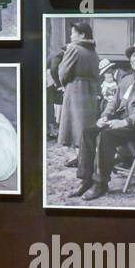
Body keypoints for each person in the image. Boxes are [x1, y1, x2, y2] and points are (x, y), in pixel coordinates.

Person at [74, 39, 135, 201]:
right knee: (88, 132)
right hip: (118, 121)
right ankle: (86, 180)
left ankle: (101, 183)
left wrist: (124, 122)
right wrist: (105, 116)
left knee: (106, 136)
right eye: (133, 56)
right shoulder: (126, 80)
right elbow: (113, 102)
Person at [56, 21, 100, 163]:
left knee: (74, 122)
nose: (71, 35)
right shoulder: (93, 52)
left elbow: (63, 72)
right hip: (90, 89)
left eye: (73, 32)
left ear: (82, 35)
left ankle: (79, 156)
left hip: (75, 88)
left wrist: (65, 84)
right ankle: (83, 155)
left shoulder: (74, 49)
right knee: (84, 122)